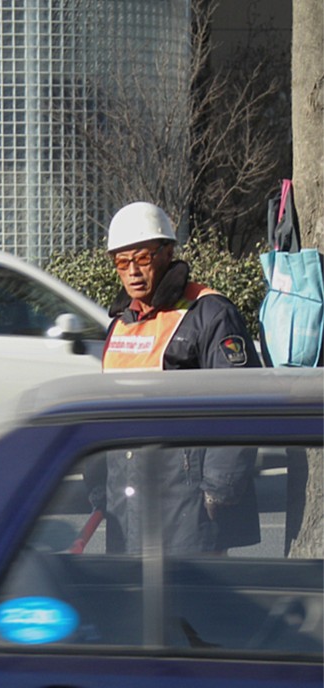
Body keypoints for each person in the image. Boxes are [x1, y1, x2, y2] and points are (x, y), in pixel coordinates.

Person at [93, 201, 261, 555]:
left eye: (143, 258)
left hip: (189, 506)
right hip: (128, 505)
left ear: (168, 253)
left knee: (194, 607)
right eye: (122, 262)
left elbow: (241, 403)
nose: (133, 272)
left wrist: (219, 490)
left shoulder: (212, 314)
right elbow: (104, 411)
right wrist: (98, 486)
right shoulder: (121, 323)